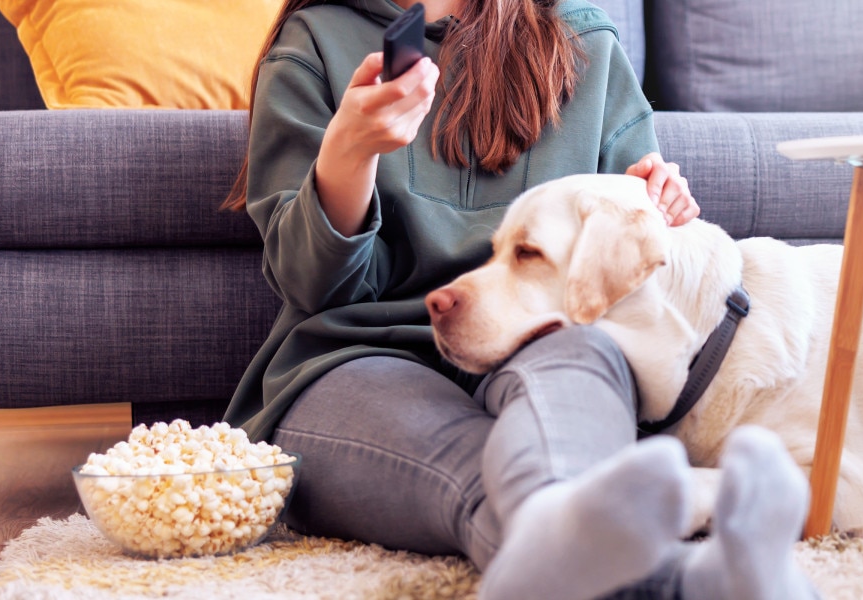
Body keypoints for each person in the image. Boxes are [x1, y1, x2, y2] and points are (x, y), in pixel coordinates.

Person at [222, 0, 818, 598]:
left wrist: (657, 206)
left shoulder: (581, 39)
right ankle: (695, 582)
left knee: (567, 416)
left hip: (548, 345)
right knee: (500, 480)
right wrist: (348, 153)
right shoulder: (313, 43)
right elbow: (311, 285)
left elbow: (630, 257)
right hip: (356, 358)